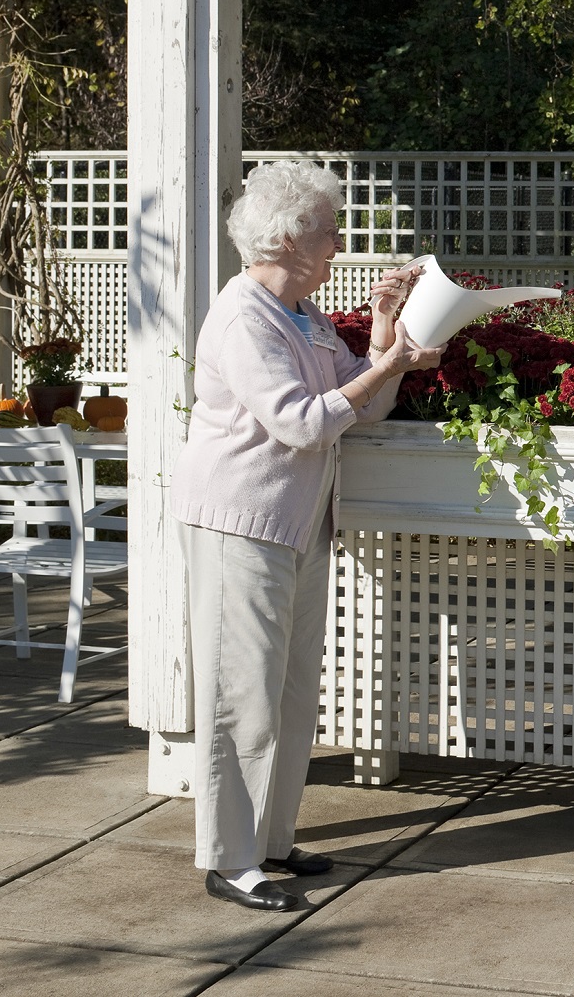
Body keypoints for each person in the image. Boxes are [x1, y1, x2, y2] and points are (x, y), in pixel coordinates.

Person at [170, 159, 442, 912]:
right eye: (328, 227)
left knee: (291, 693)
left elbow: (364, 404)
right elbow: (299, 420)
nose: (339, 240)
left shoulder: (304, 314)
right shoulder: (242, 315)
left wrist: (384, 336)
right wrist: (385, 363)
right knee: (241, 695)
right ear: (287, 236)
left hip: (298, 525)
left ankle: (271, 840)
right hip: (240, 524)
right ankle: (228, 858)